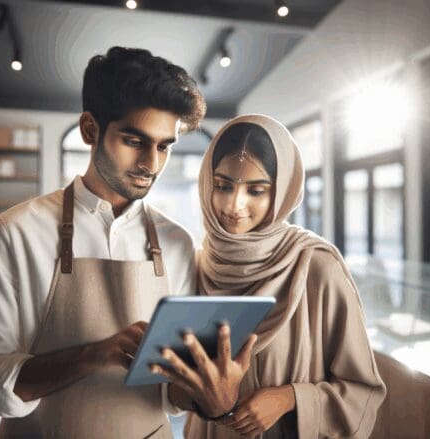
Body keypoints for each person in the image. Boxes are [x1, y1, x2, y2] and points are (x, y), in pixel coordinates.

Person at [0, 47, 250, 438]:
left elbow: (168, 394)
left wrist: (210, 399)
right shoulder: (17, 232)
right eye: (134, 140)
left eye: (164, 146)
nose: (152, 163)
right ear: (90, 130)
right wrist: (91, 355)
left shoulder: (177, 242)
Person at [152, 114, 387, 438]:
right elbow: (180, 381)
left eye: (256, 190)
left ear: (281, 192)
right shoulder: (200, 265)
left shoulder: (316, 267)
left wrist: (289, 398)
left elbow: (363, 392)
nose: (235, 205)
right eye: (223, 186)